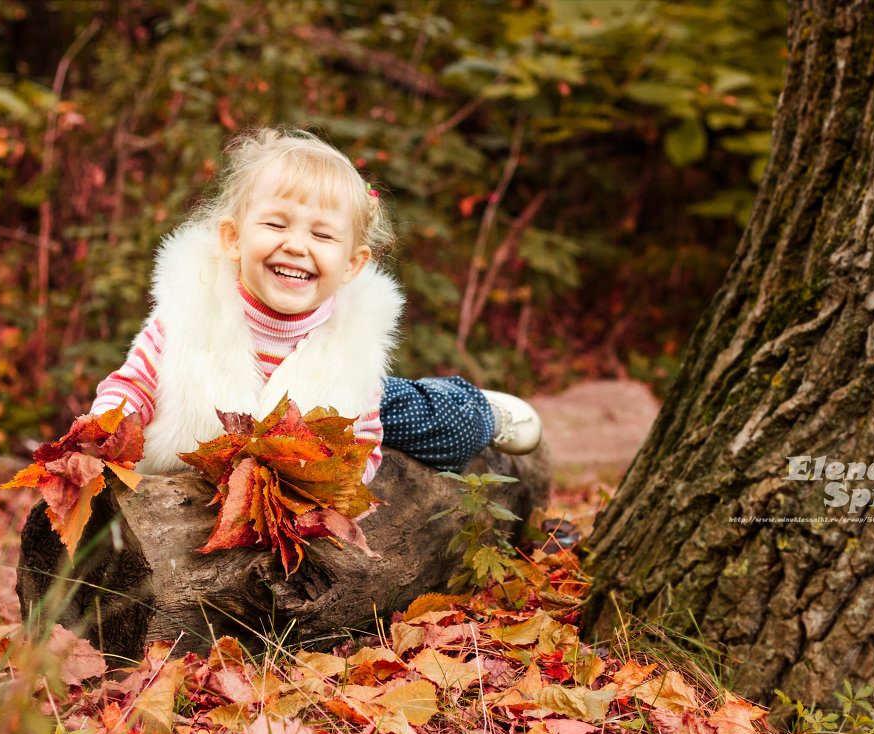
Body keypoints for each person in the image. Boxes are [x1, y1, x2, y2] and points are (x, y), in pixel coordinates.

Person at [90, 126, 540, 482]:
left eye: (322, 235)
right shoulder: (188, 316)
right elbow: (133, 387)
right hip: (229, 424)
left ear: (351, 264)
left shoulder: (353, 350)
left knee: (435, 422)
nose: (296, 245)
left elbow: (363, 447)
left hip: (340, 394)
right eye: (275, 224)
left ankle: (480, 410)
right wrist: (106, 428)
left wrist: (327, 479)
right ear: (232, 238)